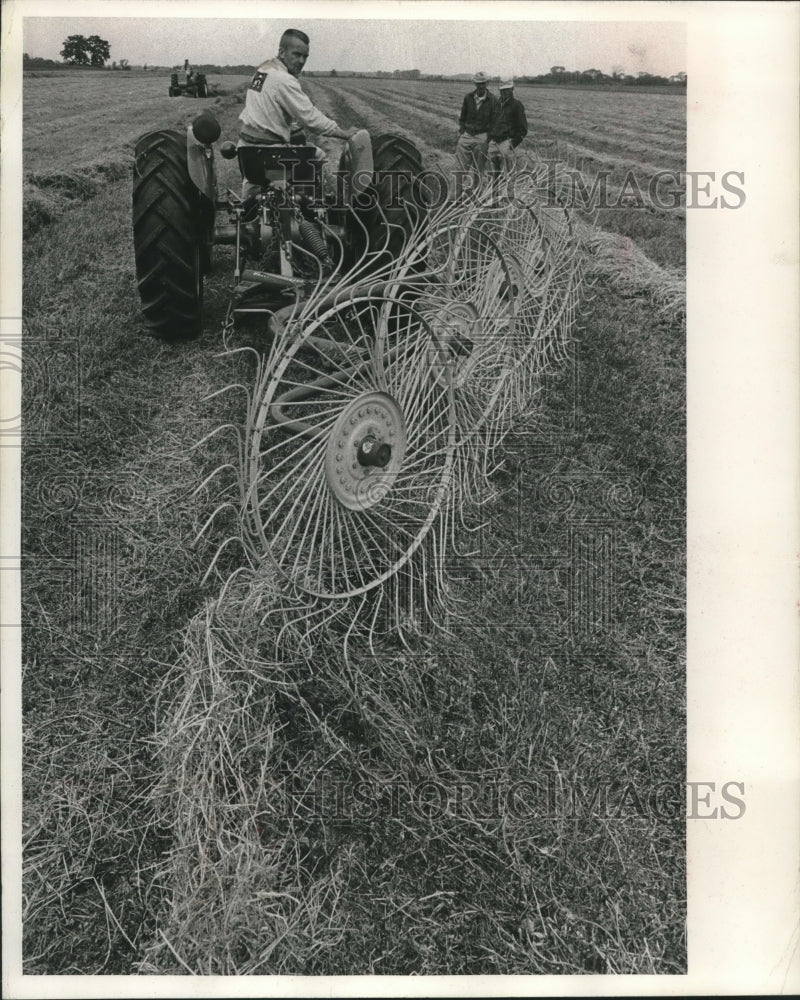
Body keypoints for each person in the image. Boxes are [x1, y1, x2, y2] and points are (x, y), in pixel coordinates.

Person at [238, 28, 360, 198]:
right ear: (282, 52)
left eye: (305, 57)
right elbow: (310, 118)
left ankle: (248, 205)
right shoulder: (284, 79)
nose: (301, 61)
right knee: (318, 156)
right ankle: (314, 203)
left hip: (246, 148)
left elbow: (263, 107)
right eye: (296, 55)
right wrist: (343, 133)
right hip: (270, 150)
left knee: (252, 181)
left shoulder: (262, 71)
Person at [455, 71, 499, 192]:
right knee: (459, 168)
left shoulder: (493, 100)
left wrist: (488, 140)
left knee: (478, 169)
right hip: (467, 135)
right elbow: (463, 117)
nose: (481, 86)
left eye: (483, 83)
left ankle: (477, 195)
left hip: (482, 137)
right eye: (479, 83)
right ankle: (454, 197)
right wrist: (461, 133)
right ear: (475, 83)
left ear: (487, 83)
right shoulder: (468, 97)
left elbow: (495, 122)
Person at [488, 78, 528, 179]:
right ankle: (494, 187)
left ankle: (508, 188)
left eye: (507, 89)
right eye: (502, 90)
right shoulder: (496, 104)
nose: (504, 92)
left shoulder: (517, 105)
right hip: (494, 142)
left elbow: (523, 129)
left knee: (507, 174)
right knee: (491, 172)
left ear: (512, 89)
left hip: (507, 142)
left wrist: (511, 145)